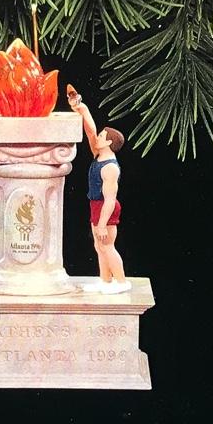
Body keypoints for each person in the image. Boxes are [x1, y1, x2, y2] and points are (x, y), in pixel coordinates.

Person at [67, 84, 130, 295]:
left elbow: (110, 199)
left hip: (106, 208)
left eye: (103, 136)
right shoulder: (98, 154)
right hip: (96, 204)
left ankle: (121, 282)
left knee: (107, 245)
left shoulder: (110, 167)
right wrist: (81, 108)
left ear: (109, 142)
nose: (98, 137)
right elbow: (90, 131)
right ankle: (106, 280)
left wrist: (103, 223)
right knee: (99, 245)